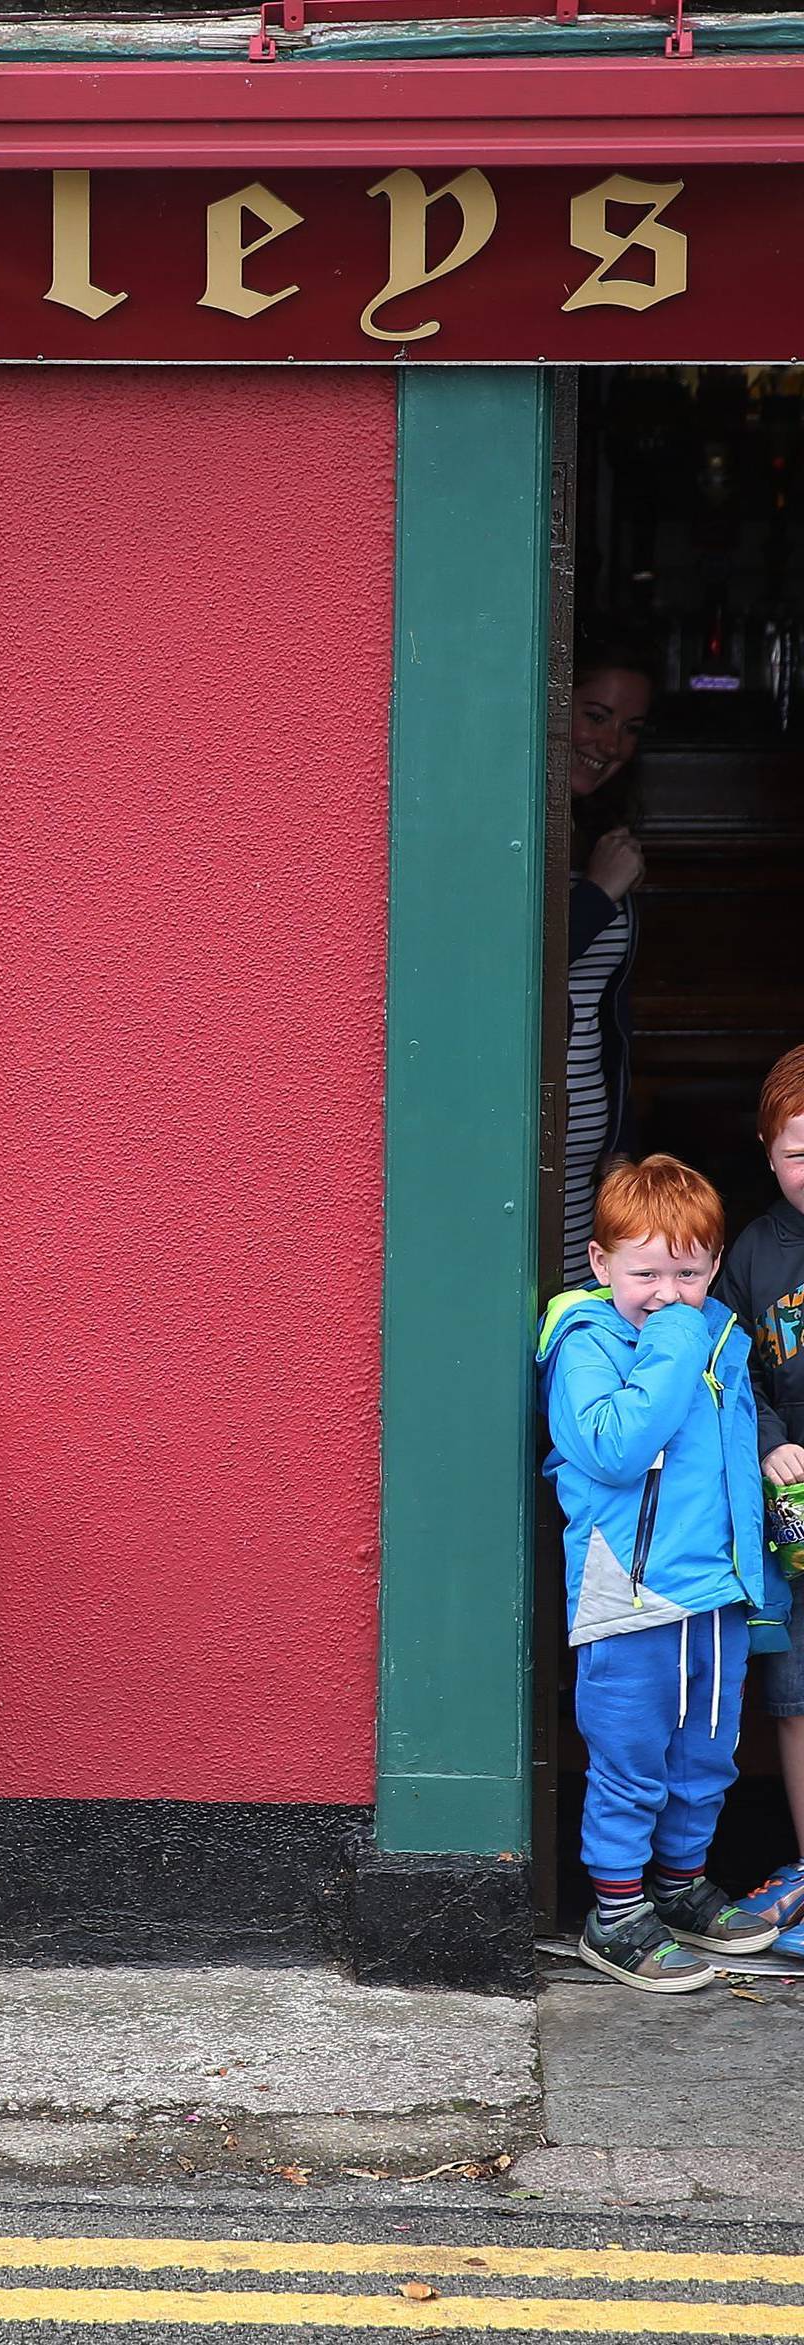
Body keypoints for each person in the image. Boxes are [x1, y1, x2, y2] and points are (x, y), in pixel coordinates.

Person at [537, 1153, 789, 1989]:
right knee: (631, 1755)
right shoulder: (585, 1342)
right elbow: (612, 1446)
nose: (667, 1292)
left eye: (688, 1272)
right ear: (602, 1263)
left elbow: (731, 1471)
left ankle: (679, 1887)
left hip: (715, 1589)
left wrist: (758, 1583)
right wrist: (678, 1336)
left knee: (707, 1756)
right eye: (645, 1271)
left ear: (715, 1265)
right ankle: (614, 1912)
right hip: (631, 1592)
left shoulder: (720, 1333)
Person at [713, 1047, 804, 1952]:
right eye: (800, 1152)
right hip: (795, 1508)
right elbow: (734, 1372)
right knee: (795, 1686)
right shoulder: (756, 1250)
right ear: (768, 1153)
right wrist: (771, 1439)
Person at [562, 630, 656, 1284]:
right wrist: (598, 894)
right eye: (595, 715)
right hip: (522, 1137)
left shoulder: (596, 835)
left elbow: (607, 1011)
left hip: (588, 1144)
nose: (611, 743)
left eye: (629, 728)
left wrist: (618, 1143)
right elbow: (507, 977)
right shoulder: (505, 828)